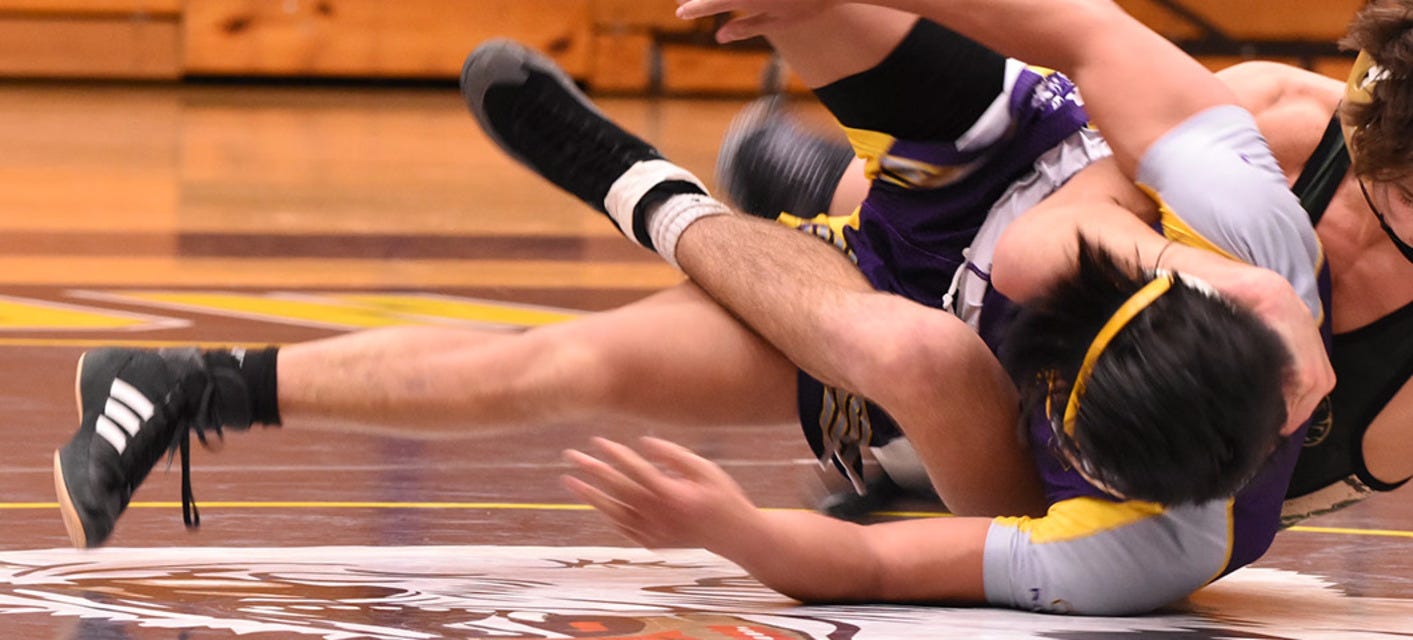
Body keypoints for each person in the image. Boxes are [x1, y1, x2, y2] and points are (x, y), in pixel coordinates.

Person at [53, 0, 1329, 615]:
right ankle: (762, 184)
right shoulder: (1251, 240)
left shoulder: (1142, 553)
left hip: (909, 342)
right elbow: (1085, 30)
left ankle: (642, 193)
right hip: (1010, 175)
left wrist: (735, 528)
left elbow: (881, 562)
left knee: (585, 365)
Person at [710, 1, 1413, 524]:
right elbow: (1045, 238)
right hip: (1011, 297)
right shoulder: (1281, 116)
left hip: (1152, 484)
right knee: (987, 198)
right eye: (1398, 185)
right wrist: (1241, 285)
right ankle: (824, 185)